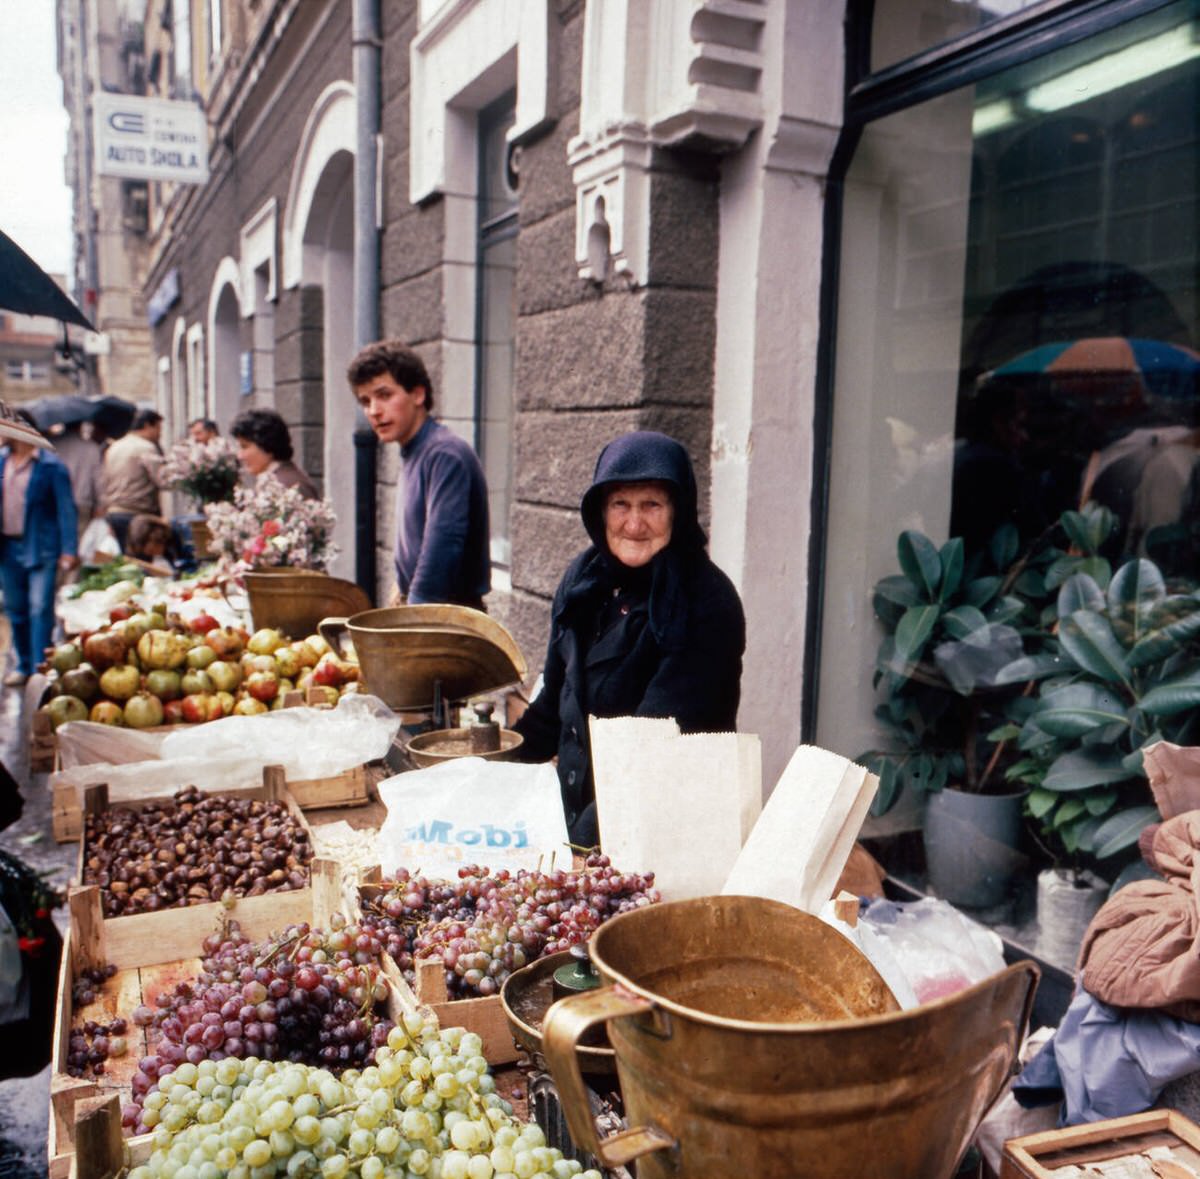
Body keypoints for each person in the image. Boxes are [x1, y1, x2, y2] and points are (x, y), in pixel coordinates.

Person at [511, 430, 746, 846]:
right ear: (600, 511)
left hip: (661, 833)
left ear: (678, 511)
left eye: (652, 505)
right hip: (579, 826)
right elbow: (551, 709)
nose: (634, 524)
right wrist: (488, 777)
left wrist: (577, 849)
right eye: (620, 504)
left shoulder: (706, 601)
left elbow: (656, 752)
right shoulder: (584, 581)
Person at [348, 340, 490, 608]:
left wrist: (412, 614)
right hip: (423, 606)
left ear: (418, 394)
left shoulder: (444, 454)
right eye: (365, 401)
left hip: (446, 614)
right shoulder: (415, 450)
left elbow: (443, 546)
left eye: (384, 395)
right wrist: (399, 589)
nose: (374, 411)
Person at [0, 410, 79, 686]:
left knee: (40, 607)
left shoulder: (50, 466)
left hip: (41, 546)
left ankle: (39, 668)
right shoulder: (2, 462)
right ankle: (23, 664)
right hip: (7, 547)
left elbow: (66, 510)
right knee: (16, 608)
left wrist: (69, 549)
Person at [101, 408, 164, 550]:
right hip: (138, 513)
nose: (159, 434)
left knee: (124, 557)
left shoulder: (115, 446)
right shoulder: (146, 447)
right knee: (140, 557)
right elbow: (162, 479)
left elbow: (105, 479)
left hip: (115, 511)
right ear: (148, 425)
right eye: (158, 428)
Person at [230, 408, 320, 500]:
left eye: (245, 447)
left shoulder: (288, 486)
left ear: (267, 445)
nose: (240, 456)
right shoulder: (279, 480)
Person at [52, 421, 105, 540]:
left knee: (56, 539)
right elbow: (98, 480)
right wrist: (101, 504)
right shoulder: (91, 447)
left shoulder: (52, 443)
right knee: (80, 541)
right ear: (80, 426)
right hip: (81, 501)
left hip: (55, 500)